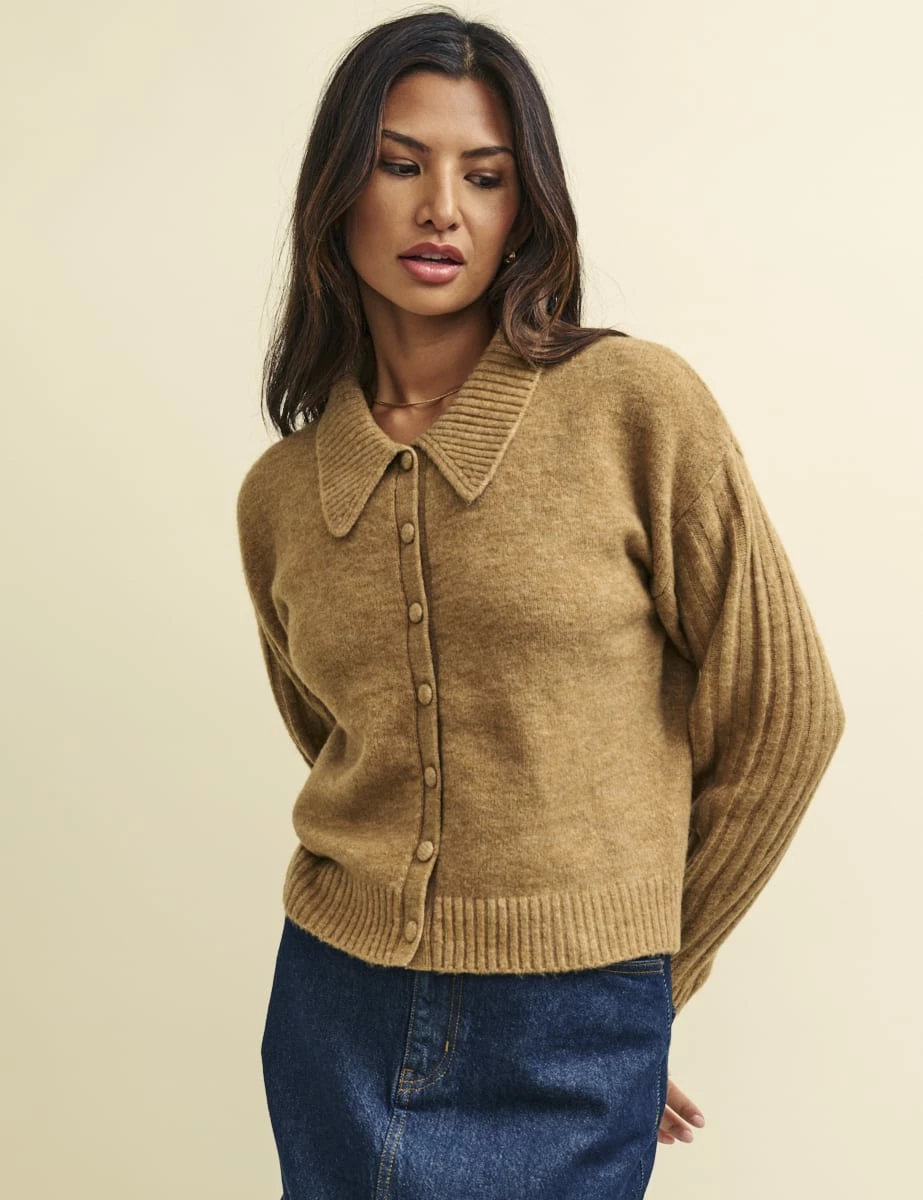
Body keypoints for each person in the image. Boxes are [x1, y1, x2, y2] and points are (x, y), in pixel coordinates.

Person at [235, 7, 846, 1198]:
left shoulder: (633, 407)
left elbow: (785, 717)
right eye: (398, 164)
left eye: (485, 176)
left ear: (526, 209)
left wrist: (641, 985)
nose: (440, 210)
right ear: (335, 191)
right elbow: (337, 736)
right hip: (330, 1008)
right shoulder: (281, 493)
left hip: (572, 1027)